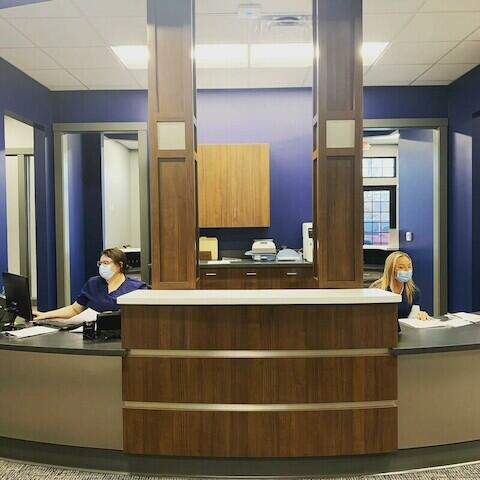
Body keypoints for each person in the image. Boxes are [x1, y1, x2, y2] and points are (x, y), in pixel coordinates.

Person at [34, 248, 148, 321]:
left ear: (120, 265)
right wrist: (46, 315)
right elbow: (75, 309)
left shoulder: (137, 288)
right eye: (100, 263)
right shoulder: (94, 283)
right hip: (92, 334)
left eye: (106, 263)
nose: (102, 266)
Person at [370, 251, 429, 324]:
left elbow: (413, 317)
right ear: (391, 269)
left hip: (403, 329)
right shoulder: (377, 289)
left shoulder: (413, 291)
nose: (407, 270)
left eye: (409, 267)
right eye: (401, 267)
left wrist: (419, 315)